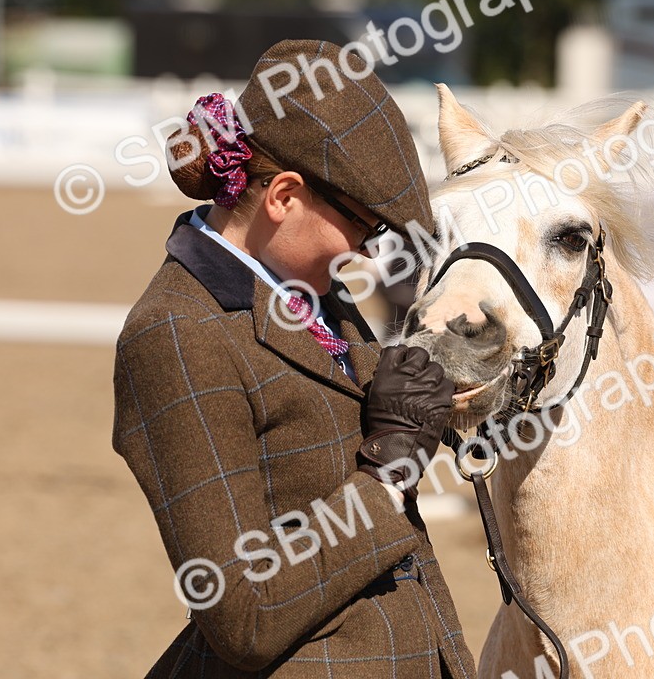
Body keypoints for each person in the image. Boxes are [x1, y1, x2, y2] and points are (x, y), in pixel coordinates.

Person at [112, 40, 476, 678]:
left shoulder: (308, 290)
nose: (367, 252)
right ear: (283, 196)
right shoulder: (176, 334)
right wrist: (386, 480)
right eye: (362, 226)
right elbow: (241, 612)